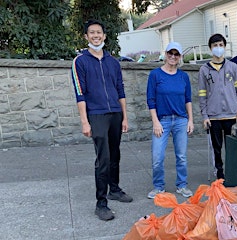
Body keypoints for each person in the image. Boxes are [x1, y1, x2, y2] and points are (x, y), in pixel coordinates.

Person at [71, 19, 132, 221]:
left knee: (115, 155)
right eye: (92, 33)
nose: (96, 36)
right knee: (103, 158)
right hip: (96, 115)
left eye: (99, 32)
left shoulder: (113, 62)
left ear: (104, 36)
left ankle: (114, 189)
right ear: (86, 37)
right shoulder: (80, 61)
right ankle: (101, 203)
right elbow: (80, 94)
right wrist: (84, 121)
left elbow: (120, 90)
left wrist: (124, 116)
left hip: (115, 113)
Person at [146, 42, 194, 199]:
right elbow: (151, 99)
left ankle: (182, 185)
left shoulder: (183, 76)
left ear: (180, 57)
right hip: (162, 121)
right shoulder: (155, 75)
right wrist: (155, 122)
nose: (173, 57)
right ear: (165, 54)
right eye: (170, 53)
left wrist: (190, 120)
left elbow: (188, 100)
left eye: (176, 54)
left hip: (180, 120)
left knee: (181, 156)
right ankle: (158, 186)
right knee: (157, 157)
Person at [198, 33, 237, 179]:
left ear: (224, 47)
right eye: (215, 46)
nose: (218, 48)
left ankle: (233, 172)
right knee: (216, 149)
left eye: (221, 45)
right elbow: (202, 94)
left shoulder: (233, 67)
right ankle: (220, 174)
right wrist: (205, 115)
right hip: (214, 116)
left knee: (232, 148)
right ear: (210, 48)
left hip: (231, 115)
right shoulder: (204, 70)